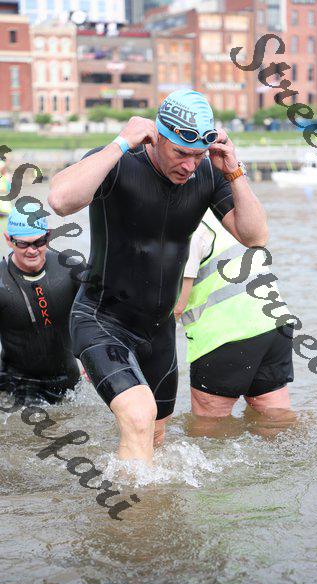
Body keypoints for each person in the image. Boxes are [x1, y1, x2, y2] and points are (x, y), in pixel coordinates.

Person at [48, 89, 268, 466]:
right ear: (156, 137)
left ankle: (147, 501)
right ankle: (131, 506)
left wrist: (233, 170)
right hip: (103, 320)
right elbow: (60, 200)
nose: (190, 166)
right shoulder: (120, 163)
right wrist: (120, 143)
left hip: (159, 333)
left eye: (198, 155)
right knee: (139, 416)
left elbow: (255, 236)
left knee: (155, 436)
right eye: (181, 153)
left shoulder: (206, 173)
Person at [174, 209, 296, 438]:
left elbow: (177, 304)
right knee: (275, 417)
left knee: (208, 426)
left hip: (226, 335)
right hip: (275, 325)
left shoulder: (188, 224)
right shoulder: (230, 212)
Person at [0, 203, 81, 407]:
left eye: (39, 241)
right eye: (23, 244)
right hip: (15, 388)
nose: (32, 250)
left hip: (68, 383)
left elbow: (101, 314)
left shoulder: (70, 269)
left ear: (48, 235)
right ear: (9, 239)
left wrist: (96, 359)